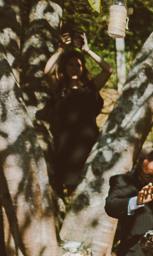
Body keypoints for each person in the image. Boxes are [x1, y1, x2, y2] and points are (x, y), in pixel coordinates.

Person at [43, 31, 111, 193]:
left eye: (78, 65)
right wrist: (61, 49)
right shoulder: (60, 89)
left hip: (89, 144)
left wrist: (87, 50)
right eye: (71, 65)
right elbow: (47, 72)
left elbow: (108, 70)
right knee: (71, 188)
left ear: (82, 68)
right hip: (66, 147)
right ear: (65, 67)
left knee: (92, 186)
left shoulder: (91, 87)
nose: (74, 68)